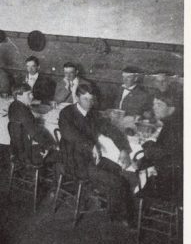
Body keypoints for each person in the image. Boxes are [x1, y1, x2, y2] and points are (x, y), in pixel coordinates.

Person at [56, 82, 134, 226]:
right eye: (85, 99)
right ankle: (119, 218)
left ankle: (110, 207)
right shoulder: (66, 113)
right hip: (74, 161)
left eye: (92, 99)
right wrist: (90, 146)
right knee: (117, 182)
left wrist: (123, 148)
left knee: (117, 169)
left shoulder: (93, 114)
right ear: (77, 98)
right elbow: (70, 134)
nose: (89, 103)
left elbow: (110, 130)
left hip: (90, 159)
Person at [7, 83, 56, 165]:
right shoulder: (24, 112)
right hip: (28, 154)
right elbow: (34, 134)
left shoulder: (13, 105)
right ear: (19, 96)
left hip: (16, 150)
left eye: (31, 93)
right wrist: (48, 146)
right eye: (28, 94)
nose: (32, 96)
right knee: (59, 153)